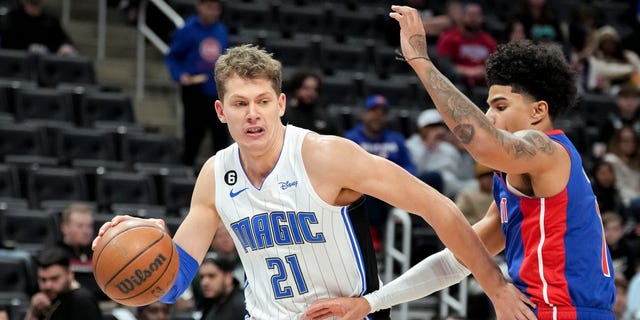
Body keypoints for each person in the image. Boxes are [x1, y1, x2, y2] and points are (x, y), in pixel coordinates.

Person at [93, 44, 535, 320]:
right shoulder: (214, 176)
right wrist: (145, 238)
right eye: (240, 102)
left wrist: (495, 286)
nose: (253, 114)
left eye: (263, 101)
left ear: (281, 103)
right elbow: (170, 287)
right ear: (220, 111)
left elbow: (437, 206)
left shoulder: (325, 155)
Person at [304, 6, 616, 320]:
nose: (489, 116)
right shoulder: (519, 185)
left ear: (538, 111)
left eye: (500, 106)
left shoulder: (546, 148)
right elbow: (456, 261)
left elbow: (483, 145)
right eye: (488, 106)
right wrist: (372, 302)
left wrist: (421, 61)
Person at [343, 94, 416, 251]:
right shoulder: (351, 138)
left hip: (393, 189)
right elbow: (346, 169)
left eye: (382, 112)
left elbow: (410, 167)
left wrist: (398, 180)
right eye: (373, 111)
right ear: (364, 114)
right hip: (365, 190)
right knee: (368, 189)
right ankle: (373, 234)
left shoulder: (396, 140)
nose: (378, 116)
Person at [165, 0, 230, 169]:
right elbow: (172, 57)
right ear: (199, 6)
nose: (213, 12)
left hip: (216, 91)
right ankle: (186, 169)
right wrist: (181, 75)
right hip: (195, 91)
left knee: (220, 135)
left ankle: (224, 174)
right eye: (209, 7)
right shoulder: (187, 30)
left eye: (216, 9)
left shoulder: (221, 30)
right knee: (193, 133)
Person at [24, 247, 102, 320]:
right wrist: (34, 313)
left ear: (70, 274)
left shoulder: (82, 300)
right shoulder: (41, 296)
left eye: (54, 279)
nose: (48, 286)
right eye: (43, 279)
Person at [435, 2, 497, 88]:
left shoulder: (489, 41)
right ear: (462, 16)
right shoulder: (449, 38)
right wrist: (466, 71)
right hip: (455, 83)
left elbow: (496, 66)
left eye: (477, 15)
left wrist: (484, 72)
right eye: (470, 15)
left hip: (483, 84)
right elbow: (443, 64)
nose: (474, 19)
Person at [55, 203, 106, 301]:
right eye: (80, 226)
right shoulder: (55, 255)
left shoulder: (99, 252)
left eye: (89, 226)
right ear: (65, 228)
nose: (86, 231)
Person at [0, 0, 77, 55]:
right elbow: (8, 46)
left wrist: (66, 46)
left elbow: (63, 39)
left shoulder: (50, 20)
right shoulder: (12, 18)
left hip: (47, 67)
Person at [282, 69, 338, 136]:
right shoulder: (284, 115)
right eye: (306, 88)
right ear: (296, 89)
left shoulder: (325, 117)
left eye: (314, 89)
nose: (310, 93)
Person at [197, 253, 244, 320]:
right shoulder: (209, 304)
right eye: (202, 277)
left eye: (211, 276)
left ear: (228, 278)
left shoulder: (242, 306)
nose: (204, 282)